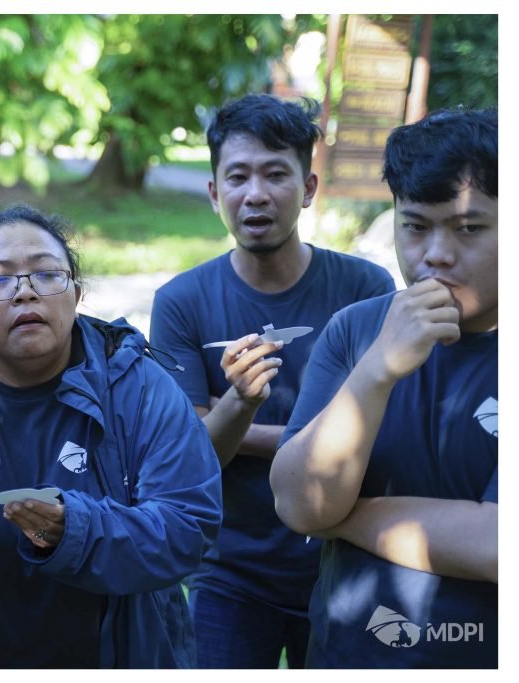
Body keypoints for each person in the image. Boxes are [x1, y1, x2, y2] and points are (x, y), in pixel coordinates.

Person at [0, 204, 223, 668]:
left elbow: (188, 527)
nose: (25, 293)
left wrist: (72, 530)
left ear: (76, 293)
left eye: (46, 275)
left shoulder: (138, 386)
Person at [149, 94, 395, 668]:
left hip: (344, 558)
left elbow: (381, 434)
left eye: (275, 174)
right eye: (236, 176)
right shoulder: (181, 302)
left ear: (308, 189)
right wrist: (238, 402)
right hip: (226, 570)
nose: (254, 194)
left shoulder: (366, 288)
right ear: (214, 193)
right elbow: (196, 456)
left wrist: (224, 419)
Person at [270, 108, 497, 668]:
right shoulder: (356, 330)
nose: (436, 254)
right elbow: (299, 501)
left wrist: (340, 518)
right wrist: (377, 370)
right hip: (347, 652)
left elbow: (498, 546)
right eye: (415, 225)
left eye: (469, 228)